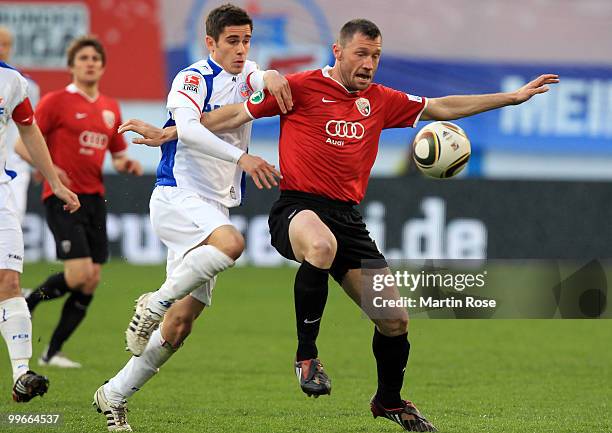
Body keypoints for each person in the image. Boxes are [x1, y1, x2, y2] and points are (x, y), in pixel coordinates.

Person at [121, 18, 558, 432]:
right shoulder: (301, 87)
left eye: (376, 56)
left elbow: (440, 106)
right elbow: (235, 114)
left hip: (348, 219)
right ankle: (306, 357)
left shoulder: (382, 100)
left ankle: (389, 400)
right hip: (296, 209)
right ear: (339, 51)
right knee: (321, 246)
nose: (368, 64)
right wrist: (173, 131)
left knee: (395, 320)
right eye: (361, 54)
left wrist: (512, 98)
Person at [93, 4, 289, 431]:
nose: (241, 49)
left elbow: (261, 79)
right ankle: (153, 301)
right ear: (211, 42)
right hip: (177, 196)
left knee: (179, 327)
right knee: (232, 245)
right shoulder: (192, 79)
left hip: (213, 205)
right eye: (232, 41)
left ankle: (113, 395)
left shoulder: (249, 71)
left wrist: (272, 77)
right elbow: (193, 130)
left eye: (246, 40)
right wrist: (244, 157)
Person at [16, 36, 143, 369]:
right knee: (78, 275)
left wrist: (126, 164)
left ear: (102, 66)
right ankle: (28, 301)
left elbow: (117, 154)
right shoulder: (56, 102)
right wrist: (50, 169)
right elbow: (21, 143)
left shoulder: (110, 108)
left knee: (91, 279)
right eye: (83, 58)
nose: (90, 63)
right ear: (71, 66)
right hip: (62, 198)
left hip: (93, 198)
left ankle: (51, 351)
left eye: (95, 58)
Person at [0, 60, 80, 402]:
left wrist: (54, 180)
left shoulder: (12, 81)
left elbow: (28, 128)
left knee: (9, 281)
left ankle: (21, 374)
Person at [0, 26, 41, 222]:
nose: (1, 48)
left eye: (5, 44)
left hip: (15, 165)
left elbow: (32, 129)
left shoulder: (26, 85)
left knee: (13, 223)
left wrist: (40, 164)